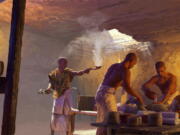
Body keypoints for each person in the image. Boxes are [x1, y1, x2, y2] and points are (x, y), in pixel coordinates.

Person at [40, 57, 101, 135]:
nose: (66, 64)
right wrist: (48, 89)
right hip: (58, 95)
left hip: (67, 94)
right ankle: (52, 132)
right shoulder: (53, 73)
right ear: (59, 63)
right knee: (55, 114)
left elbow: (78, 73)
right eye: (64, 63)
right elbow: (51, 83)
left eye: (66, 63)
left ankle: (67, 133)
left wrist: (90, 69)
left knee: (67, 114)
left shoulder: (68, 71)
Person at [95, 53, 144, 135]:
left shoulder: (114, 66)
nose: (133, 66)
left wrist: (125, 87)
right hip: (107, 95)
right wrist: (138, 97)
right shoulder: (126, 70)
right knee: (112, 119)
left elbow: (112, 80)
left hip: (100, 92)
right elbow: (127, 86)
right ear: (131, 61)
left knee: (102, 119)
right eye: (134, 64)